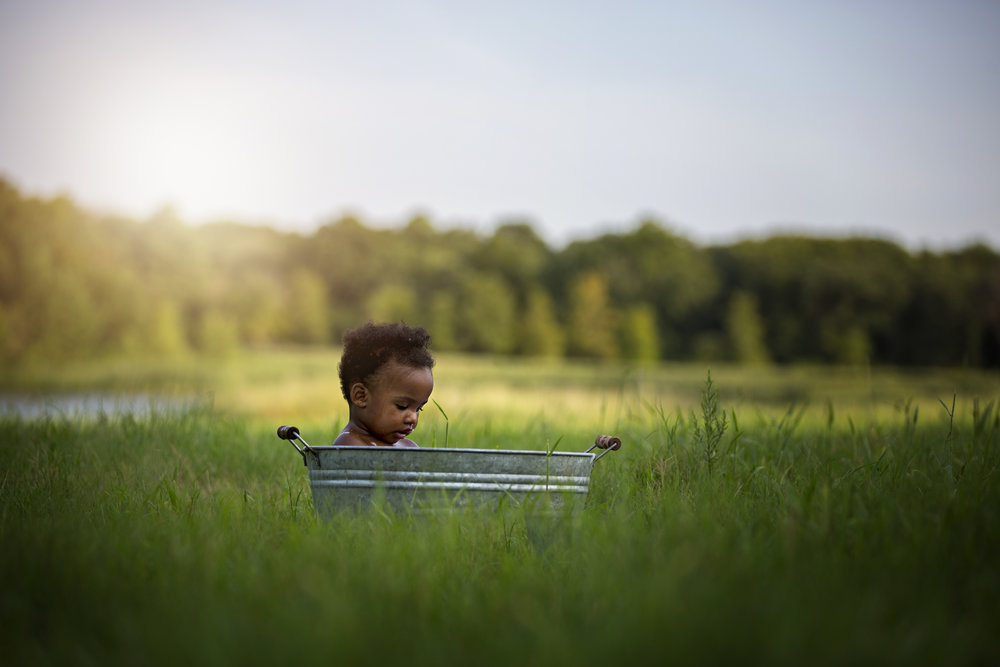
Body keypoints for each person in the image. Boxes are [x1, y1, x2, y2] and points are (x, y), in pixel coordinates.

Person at [333, 321, 435, 447]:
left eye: (419, 408)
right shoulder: (351, 444)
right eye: (402, 406)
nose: (413, 418)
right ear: (360, 396)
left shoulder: (409, 446)